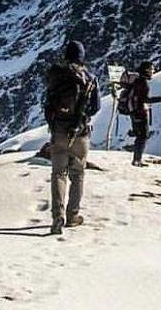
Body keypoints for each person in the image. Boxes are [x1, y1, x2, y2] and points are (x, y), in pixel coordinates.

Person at [44, 40, 99, 235]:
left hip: (58, 130)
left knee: (58, 174)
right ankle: (72, 215)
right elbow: (96, 107)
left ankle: (56, 218)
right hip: (80, 131)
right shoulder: (89, 77)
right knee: (77, 174)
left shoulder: (56, 74)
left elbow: (48, 100)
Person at [120, 61, 161, 167]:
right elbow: (145, 99)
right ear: (146, 70)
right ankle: (137, 160)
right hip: (140, 112)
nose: (153, 71)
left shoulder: (137, 81)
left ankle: (137, 158)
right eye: (152, 69)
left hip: (133, 111)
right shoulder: (142, 83)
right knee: (143, 136)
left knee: (140, 135)